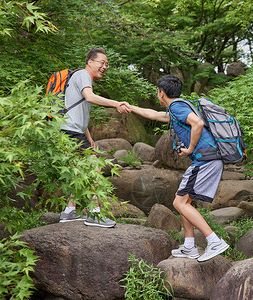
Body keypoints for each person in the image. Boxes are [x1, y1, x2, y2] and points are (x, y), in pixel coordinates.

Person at [128, 75, 229, 262]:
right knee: (183, 201)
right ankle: (189, 246)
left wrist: (190, 148)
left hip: (206, 159)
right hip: (207, 158)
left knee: (179, 203)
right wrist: (131, 107)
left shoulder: (177, 107)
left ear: (161, 93)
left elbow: (197, 124)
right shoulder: (176, 109)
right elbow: (155, 115)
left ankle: (214, 241)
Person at [59, 47, 130, 228]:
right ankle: (94, 213)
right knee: (93, 170)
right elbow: (89, 98)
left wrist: (87, 135)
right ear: (90, 62)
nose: (105, 67)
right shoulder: (83, 74)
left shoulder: (82, 78)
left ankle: (69, 211)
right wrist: (116, 104)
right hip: (71, 132)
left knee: (80, 171)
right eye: (102, 63)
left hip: (71, 131)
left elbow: (78, 112)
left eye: (107, 64)